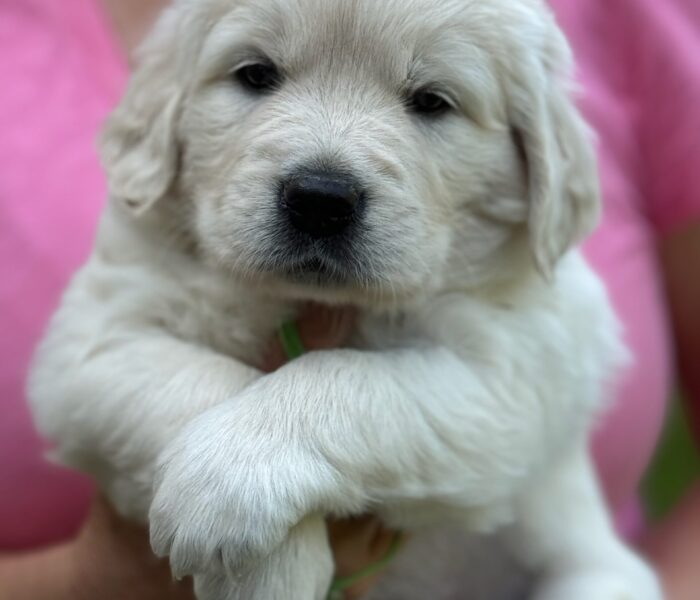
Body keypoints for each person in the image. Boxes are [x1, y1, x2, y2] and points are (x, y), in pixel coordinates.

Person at [0, 0, 698, 598]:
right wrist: (118, 566)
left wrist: (291, 436)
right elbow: (84, 369)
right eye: (257, 75)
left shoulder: (509, 279)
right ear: (167, 102)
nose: (324, 176)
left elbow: (499, 409)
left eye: (430, 101)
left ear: (534, 150)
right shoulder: (156, 234)